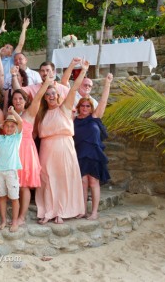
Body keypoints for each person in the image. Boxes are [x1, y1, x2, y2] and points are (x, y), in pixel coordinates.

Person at [35, 58, 89, 224]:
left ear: (58, 96)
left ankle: (62, 211)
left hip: (64, 146)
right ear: (45, 98)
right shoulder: (41, 114)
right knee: (47, 179)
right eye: (48, 94)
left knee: (63, 177)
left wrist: (83, 70)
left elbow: (73, 90)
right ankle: (49, 210)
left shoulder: (64, 109)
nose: (51, 96)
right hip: (46, 149)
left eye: (53, 94)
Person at [10, 78, 51, 225]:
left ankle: (22, 216)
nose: (18, 101)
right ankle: (16, 214)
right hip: (13, 151)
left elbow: (39, 96)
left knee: (24, 185)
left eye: (20, 98)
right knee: (15, 183)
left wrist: (46, 83)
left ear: (25, 100)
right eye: (15, 98)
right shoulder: (11, 115)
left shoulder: (30, 112)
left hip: (26, 151)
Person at [74, 73, 113, 220]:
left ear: (91, 107)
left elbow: (103, 101)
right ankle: (83, 210)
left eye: (88, 105)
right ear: (79, 107)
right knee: (83, 183)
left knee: (93, 181)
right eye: (82, 105)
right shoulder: (74, 120)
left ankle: (94, 212)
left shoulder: (95, 117)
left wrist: (107, 83)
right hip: (80, 154)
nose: (85, 107)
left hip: (94, 154)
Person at [0, 18, 30, 84]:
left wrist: (24, 29)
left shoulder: (11, 59)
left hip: (4, 88)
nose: (4, 48)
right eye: (4, 46)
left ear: (10, 54)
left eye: (7, 47)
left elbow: (20, 44)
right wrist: (0, 30)